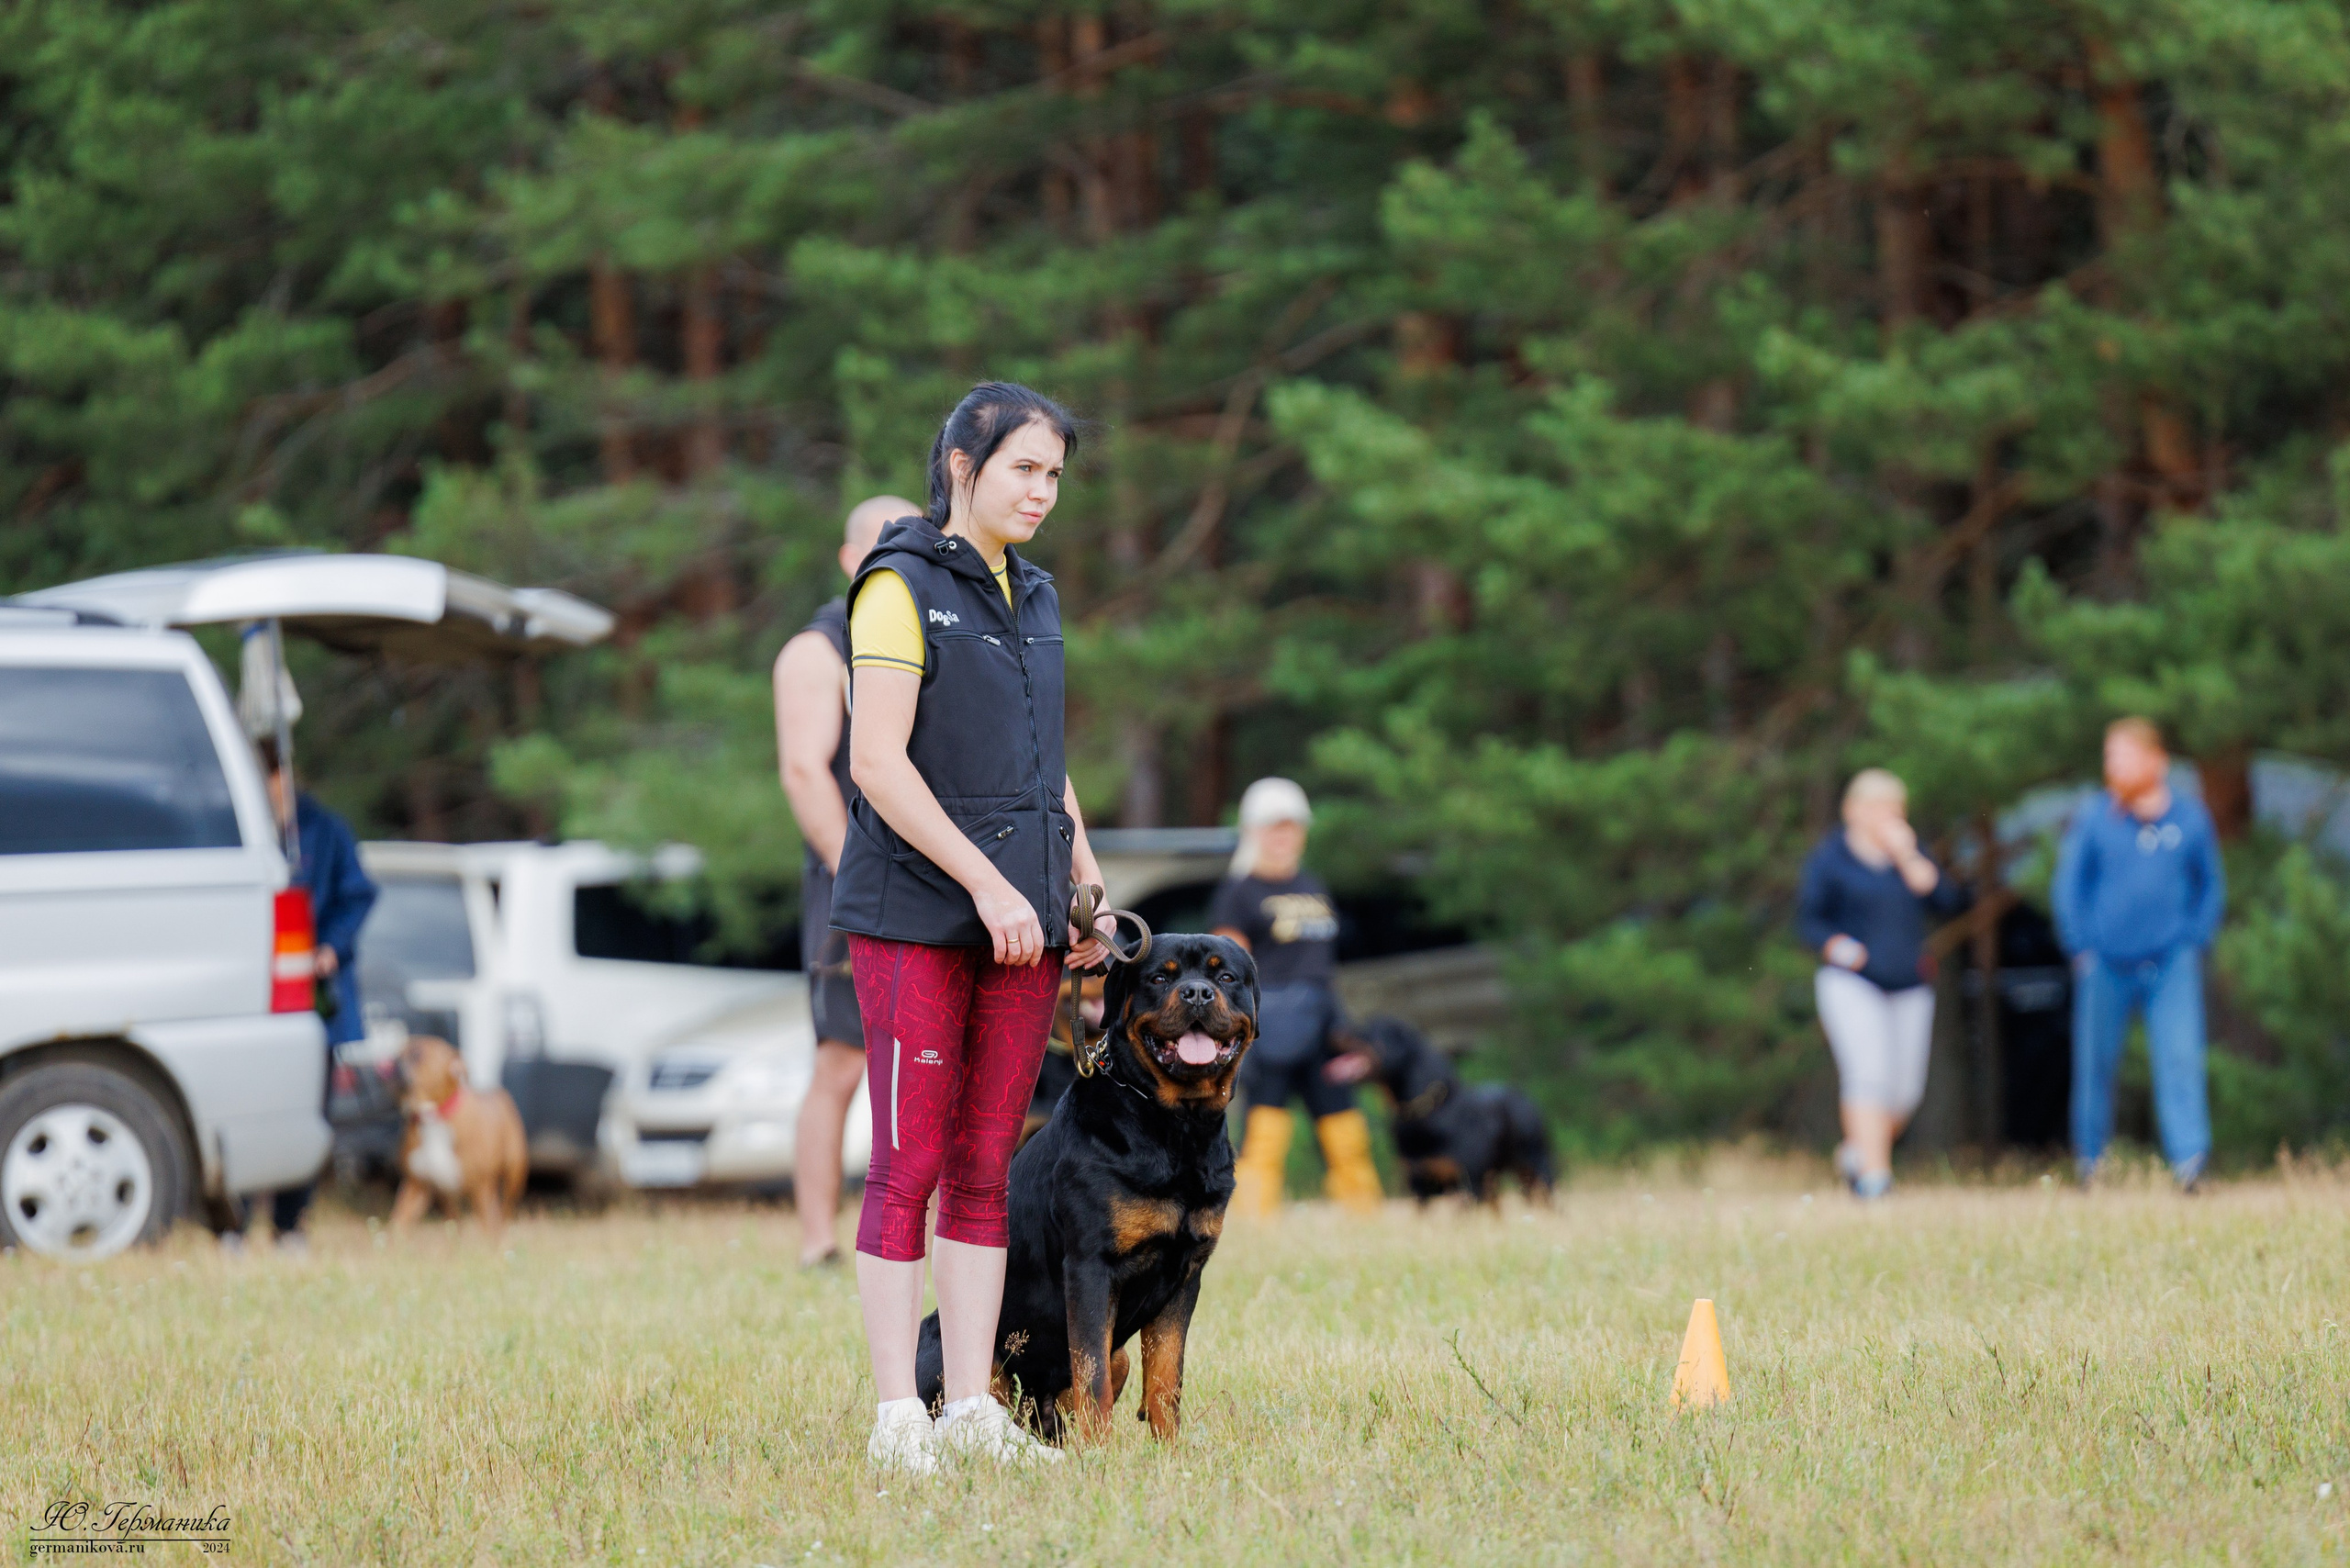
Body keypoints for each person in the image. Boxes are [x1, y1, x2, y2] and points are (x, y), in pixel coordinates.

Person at [828, 382, 1114, 1473]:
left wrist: (1081, 874)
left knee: (987, 1161)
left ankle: (968, 1408)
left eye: (1055, 475)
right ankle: (898, 1417)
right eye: (1023, 469)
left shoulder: (1035, 592)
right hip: (915, 913)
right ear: (962, 465)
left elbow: (1044, 760)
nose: (1043, 492)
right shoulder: (895, 585)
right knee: (908, 1161)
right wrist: (989, 884)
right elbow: (875, 763)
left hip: (1023, 920)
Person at [774, 493, 917, 1268]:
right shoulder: (817, 651)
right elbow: (805, 772)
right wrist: (854, 878)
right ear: (848, 556)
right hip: (853, 881)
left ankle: (912, 1229)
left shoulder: (917, 634)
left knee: (924, 1059)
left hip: (922, 879)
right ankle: (818, 1241)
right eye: (882, 543)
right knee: (841, 1060)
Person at [2052, 717, 2225, 1192]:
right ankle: (2092, 1167)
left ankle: (2190, 1165)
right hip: (2105, 963)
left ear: (2157, 761)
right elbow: (2070, 886)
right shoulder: (2096, 817)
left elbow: (2209, 886)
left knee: (2179, 1060)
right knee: (2095, 1066)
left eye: (2123, 756)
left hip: (2170, 962)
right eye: (2110, 757)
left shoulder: (2189, 818)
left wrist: (2193, 939)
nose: (2114, 766)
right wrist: (2081, 947)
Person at [1212, 778, 1382, 1219]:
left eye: (1292, 827)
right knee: (1266, 1126)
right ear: (1254, 831)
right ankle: (1255, 1218)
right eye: (1275, 827)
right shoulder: (1239, 892)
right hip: (1273, 1026)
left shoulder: (1312, 884)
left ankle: (1364, 1214)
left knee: (1344, 1122)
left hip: (1323, 1021)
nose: (1285, 837)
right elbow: (1227, 971)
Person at [1794, 768, 1968, 1200]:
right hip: (1853, 982)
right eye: (1877, 808)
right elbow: (1809, 920)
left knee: (1905, 1092)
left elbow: (1947, 901)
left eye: (1894, 809)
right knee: (1868, 1074)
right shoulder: (1831, 858)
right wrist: (1839, 947)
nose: (1886, 817)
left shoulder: (1909, 855)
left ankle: (1858, 1152)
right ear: (1853, 810)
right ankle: (1875, 1180)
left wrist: (1908, 857)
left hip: (1908, 982)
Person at [241, 737, 377, 1249]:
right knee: (245, 1105)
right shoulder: (239, 828)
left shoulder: (325, 829)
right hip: (253, 996)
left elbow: (357, 895)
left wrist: (331, 947)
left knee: (309, 1111)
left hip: (312, 995)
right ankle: (234, 1223)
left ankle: (290, 1224)